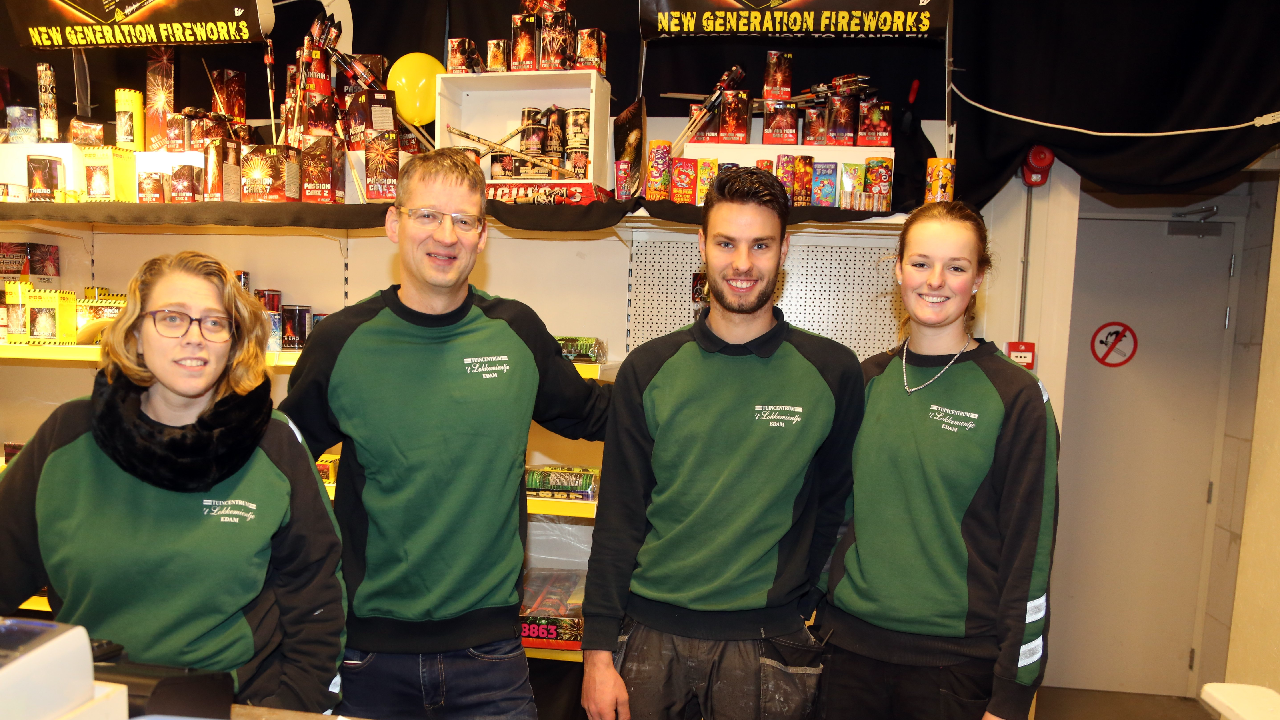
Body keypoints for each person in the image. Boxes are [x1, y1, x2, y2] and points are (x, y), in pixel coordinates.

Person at [280, 148, 611, 720]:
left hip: (491, 659)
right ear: (394, 223)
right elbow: (280, 464)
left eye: (464, 219)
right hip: (366, 658)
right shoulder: (342, 342)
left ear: (482, 236)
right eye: (428, 215)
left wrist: (686, 379)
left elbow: (593, 413)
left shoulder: (515, 332)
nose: (446, 235)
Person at [0, 251, 345, 710]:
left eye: (215, 322)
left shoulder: (272, 443)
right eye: (172, 318)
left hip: (233, 704)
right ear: (135, 335)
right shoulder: (68, 437)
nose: (194, 337)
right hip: (89, 700)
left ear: (233, 343)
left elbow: (317, 599)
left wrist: (285, 707)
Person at [580, 167, 865, 720]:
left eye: (760, 245)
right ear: (702, 245)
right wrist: (597, 653)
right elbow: (618, 518)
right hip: (649, 638)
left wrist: (804, 604)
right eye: (726, 243)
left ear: (784, 249)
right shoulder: (649, 369)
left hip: (767, 644)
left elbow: (839, 507)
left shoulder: (831, 372)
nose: (742, 264)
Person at [815, 201, 1060, 720]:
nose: (936, 281)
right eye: (921, 263)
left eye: (957, 266)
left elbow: (1030, 557)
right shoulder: (865, 382)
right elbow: (831, 515)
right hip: (847, 652)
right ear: (899, 269)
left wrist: (1013, 694)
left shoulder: (1015, 396)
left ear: (979, 278)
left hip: (955, 668)